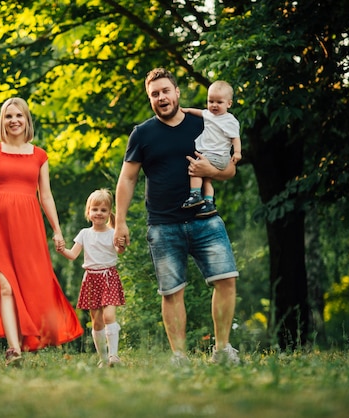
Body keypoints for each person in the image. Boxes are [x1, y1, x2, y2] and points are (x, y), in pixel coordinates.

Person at [114, 68, 240, 366]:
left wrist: (210, 172)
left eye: (165, 91)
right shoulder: (142, 133)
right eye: (155, 94)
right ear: (150, 99)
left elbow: (230, 169)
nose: (161, 98)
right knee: (171, 292)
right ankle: (179, 357)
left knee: (226, 281)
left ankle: (222, 350)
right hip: (163, 224)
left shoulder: (203, 122)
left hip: (205, 219)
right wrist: (119, 221)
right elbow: (127, 179)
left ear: (177, 92)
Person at [0, 97, 83, 367]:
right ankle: (14, 349)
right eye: (8, 116)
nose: (14, 120)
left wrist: (56, 230)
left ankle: (36, 334)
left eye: (19, 115)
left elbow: (47, 196)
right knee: (4, 286)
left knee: (34, 283)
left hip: (29, 227)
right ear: (2, 121)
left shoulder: (39, 155)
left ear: (27, 120)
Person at [57, 189, 126, 368]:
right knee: (97, 322)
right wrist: (62, 249)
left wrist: (122, 244)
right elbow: (72, 255)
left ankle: (114, 356)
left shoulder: (112, 233)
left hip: (108, 276)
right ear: (88, 212)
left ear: (109, 212)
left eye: (103, 210)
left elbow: (119, 251)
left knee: (110, 316)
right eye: (95, 209)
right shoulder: (84, 234)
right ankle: (103, 359)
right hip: (91, 279)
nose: (99, 213)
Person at [181, 80, 242, 217]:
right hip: (216, 157)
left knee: (196, 168)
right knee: (207, 179)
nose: (214, 105)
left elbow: (235, 138)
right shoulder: (208, 114)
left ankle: (195, 194)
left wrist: (237, 152)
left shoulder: (229, 120)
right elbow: (198, 112)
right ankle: (209, 203)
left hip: (217, 155)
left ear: (229, 104)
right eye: (210, 101)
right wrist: (185, 110)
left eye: (219, 102)